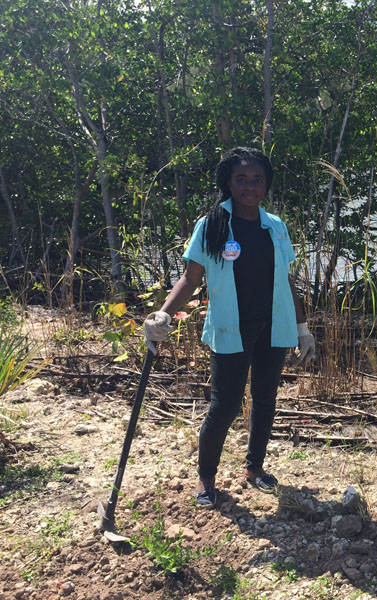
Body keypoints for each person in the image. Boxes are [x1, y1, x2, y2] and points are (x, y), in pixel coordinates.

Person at [143, 147, 315, 508]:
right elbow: (190, 279)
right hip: (231, 329)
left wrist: (302, 327)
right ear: (228, 182)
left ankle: (255, 469)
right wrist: (163, 315)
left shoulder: (276, 226)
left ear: (266, 184)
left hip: (274, 327)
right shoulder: (212, 225)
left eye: (257, 180)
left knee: (266, 399)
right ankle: (207, 479)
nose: (250, 186)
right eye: (242, 179)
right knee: (225, 405)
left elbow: (285, 280)